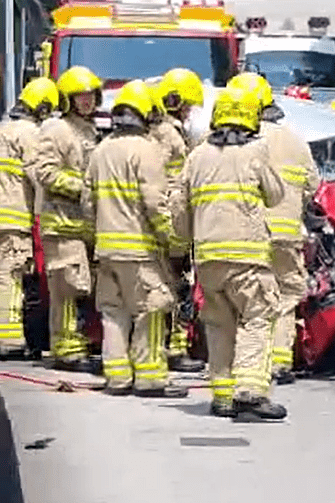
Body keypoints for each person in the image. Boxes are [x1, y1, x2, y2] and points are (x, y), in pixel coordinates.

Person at [172, 86, 286, 420]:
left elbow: (179, 207)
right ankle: (249, 392)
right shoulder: (256, 151)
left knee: (218, 325)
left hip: (208, 258)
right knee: (256, 317)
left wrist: (182, 243)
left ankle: (222, 396)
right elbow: (276, 195)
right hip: (247, 256)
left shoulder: (197, 155)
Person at [82, 80, 187, 398]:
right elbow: (155, 203)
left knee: (113, 313)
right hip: (140, 250)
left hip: (107, 250)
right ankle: (151, 377)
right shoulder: (147, 151)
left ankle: (117, 377)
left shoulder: (100, 150)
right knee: (152, 310)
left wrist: (94, 238)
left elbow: (88, 202)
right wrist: (171, 239)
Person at [227, 73, 319, 384]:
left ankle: (246, 362)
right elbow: (312, 186)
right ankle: (280, 361)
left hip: (244, 236)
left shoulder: (237, 142)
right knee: (285, 296)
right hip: (286, 236)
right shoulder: (294, 139)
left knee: (247, 301)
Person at [32, 66, 101, 372]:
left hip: (83, 225)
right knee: (67, 286)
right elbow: (44, 172)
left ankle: (78, 342)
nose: (86, 102)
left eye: (90, 95)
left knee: (83, 286)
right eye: (79, 97)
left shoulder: (89, 129)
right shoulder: (56, 130)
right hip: (61, 223)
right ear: (67, 99)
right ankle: (66, 350)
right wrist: (82, 188)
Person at [149, 68, 205, 373]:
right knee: (177, 285)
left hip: (168, 217)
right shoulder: (169, 135)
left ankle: (171, 347)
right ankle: (174, 349)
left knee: (170, 284)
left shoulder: (164, 131)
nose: (189, 112)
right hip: (172, 220)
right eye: (187, 106)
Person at [0, 78, 58, 357]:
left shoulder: (3, 128)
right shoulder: (30, 134)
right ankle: (10, 341)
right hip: (13, 219)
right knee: (10, 277)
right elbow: (40, 177)